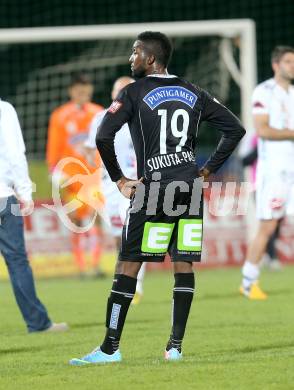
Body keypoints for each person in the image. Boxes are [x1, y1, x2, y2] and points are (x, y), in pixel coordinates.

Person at [70, 31, 245, 365]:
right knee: (183, 264)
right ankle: (175, 347)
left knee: (127, 265)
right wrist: (207, 171)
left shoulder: (133, 92)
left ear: (150, 58)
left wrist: (120, 179)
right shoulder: (194, 91)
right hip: (190, 188)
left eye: (135, 52)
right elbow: (235, 129)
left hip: (154, 188)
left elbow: (102, 135)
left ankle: (110, 348)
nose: (130, 57)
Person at [0, 99, 68, 333]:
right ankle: (38, 323)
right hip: (2, 198)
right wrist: (25, 191)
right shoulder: (4, 109)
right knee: (17, 261)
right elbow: (14, 152)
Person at [84, 76, 146, 304]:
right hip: (109, 183)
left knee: (133, 231)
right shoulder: (100, 118)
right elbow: (90, 149)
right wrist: (100, 164)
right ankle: (124, 278)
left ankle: (135, 286)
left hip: (135, 183)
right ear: (112, 94)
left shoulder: (143, 116)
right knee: (118, 235)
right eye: (118, 90)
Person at [240, 46, 294, 300]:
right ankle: (249, 281)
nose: (292, 66)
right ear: (276, 65)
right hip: (273, 172)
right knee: (268, 226)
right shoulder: (263, 91)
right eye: (288, 61)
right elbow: (263, 130)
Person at [46, 74, 104, 276]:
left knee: (95, 218)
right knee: (76, 221)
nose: (83, 95)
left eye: (86, 92)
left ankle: (95, 266)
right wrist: (53, 171)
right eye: (79, 92)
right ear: (71, 91)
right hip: (71, 177)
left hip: (94, 176)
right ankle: (81, 267)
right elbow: (53, 147)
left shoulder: (98, 113)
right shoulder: (60, 116)